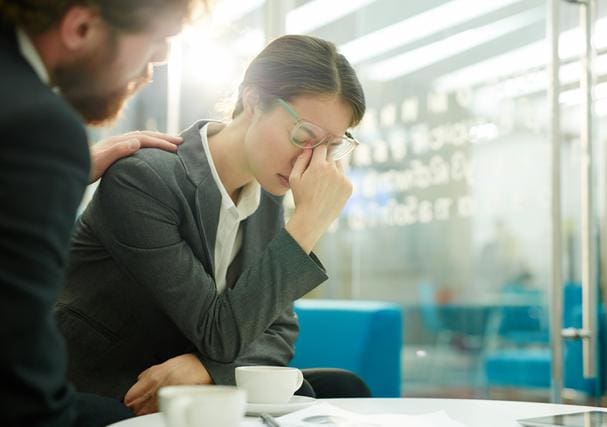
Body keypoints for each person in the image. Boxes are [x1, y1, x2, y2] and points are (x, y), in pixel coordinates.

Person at [56, 34, 371, 415]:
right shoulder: (145, 179)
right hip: (116, 388)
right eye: (304, 136)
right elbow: (217, 332)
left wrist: (206, 369)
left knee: (343, 386)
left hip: (194, 388)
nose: (312, 161)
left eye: (329, 147)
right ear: (254, 101)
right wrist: (307, 224)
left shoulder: (267, 199)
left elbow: (279, 331)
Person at [0, 1, 208, 425]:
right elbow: (15, 363)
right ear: (80, 26)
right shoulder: (37, 126)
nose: (151, 71)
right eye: (151, 48)